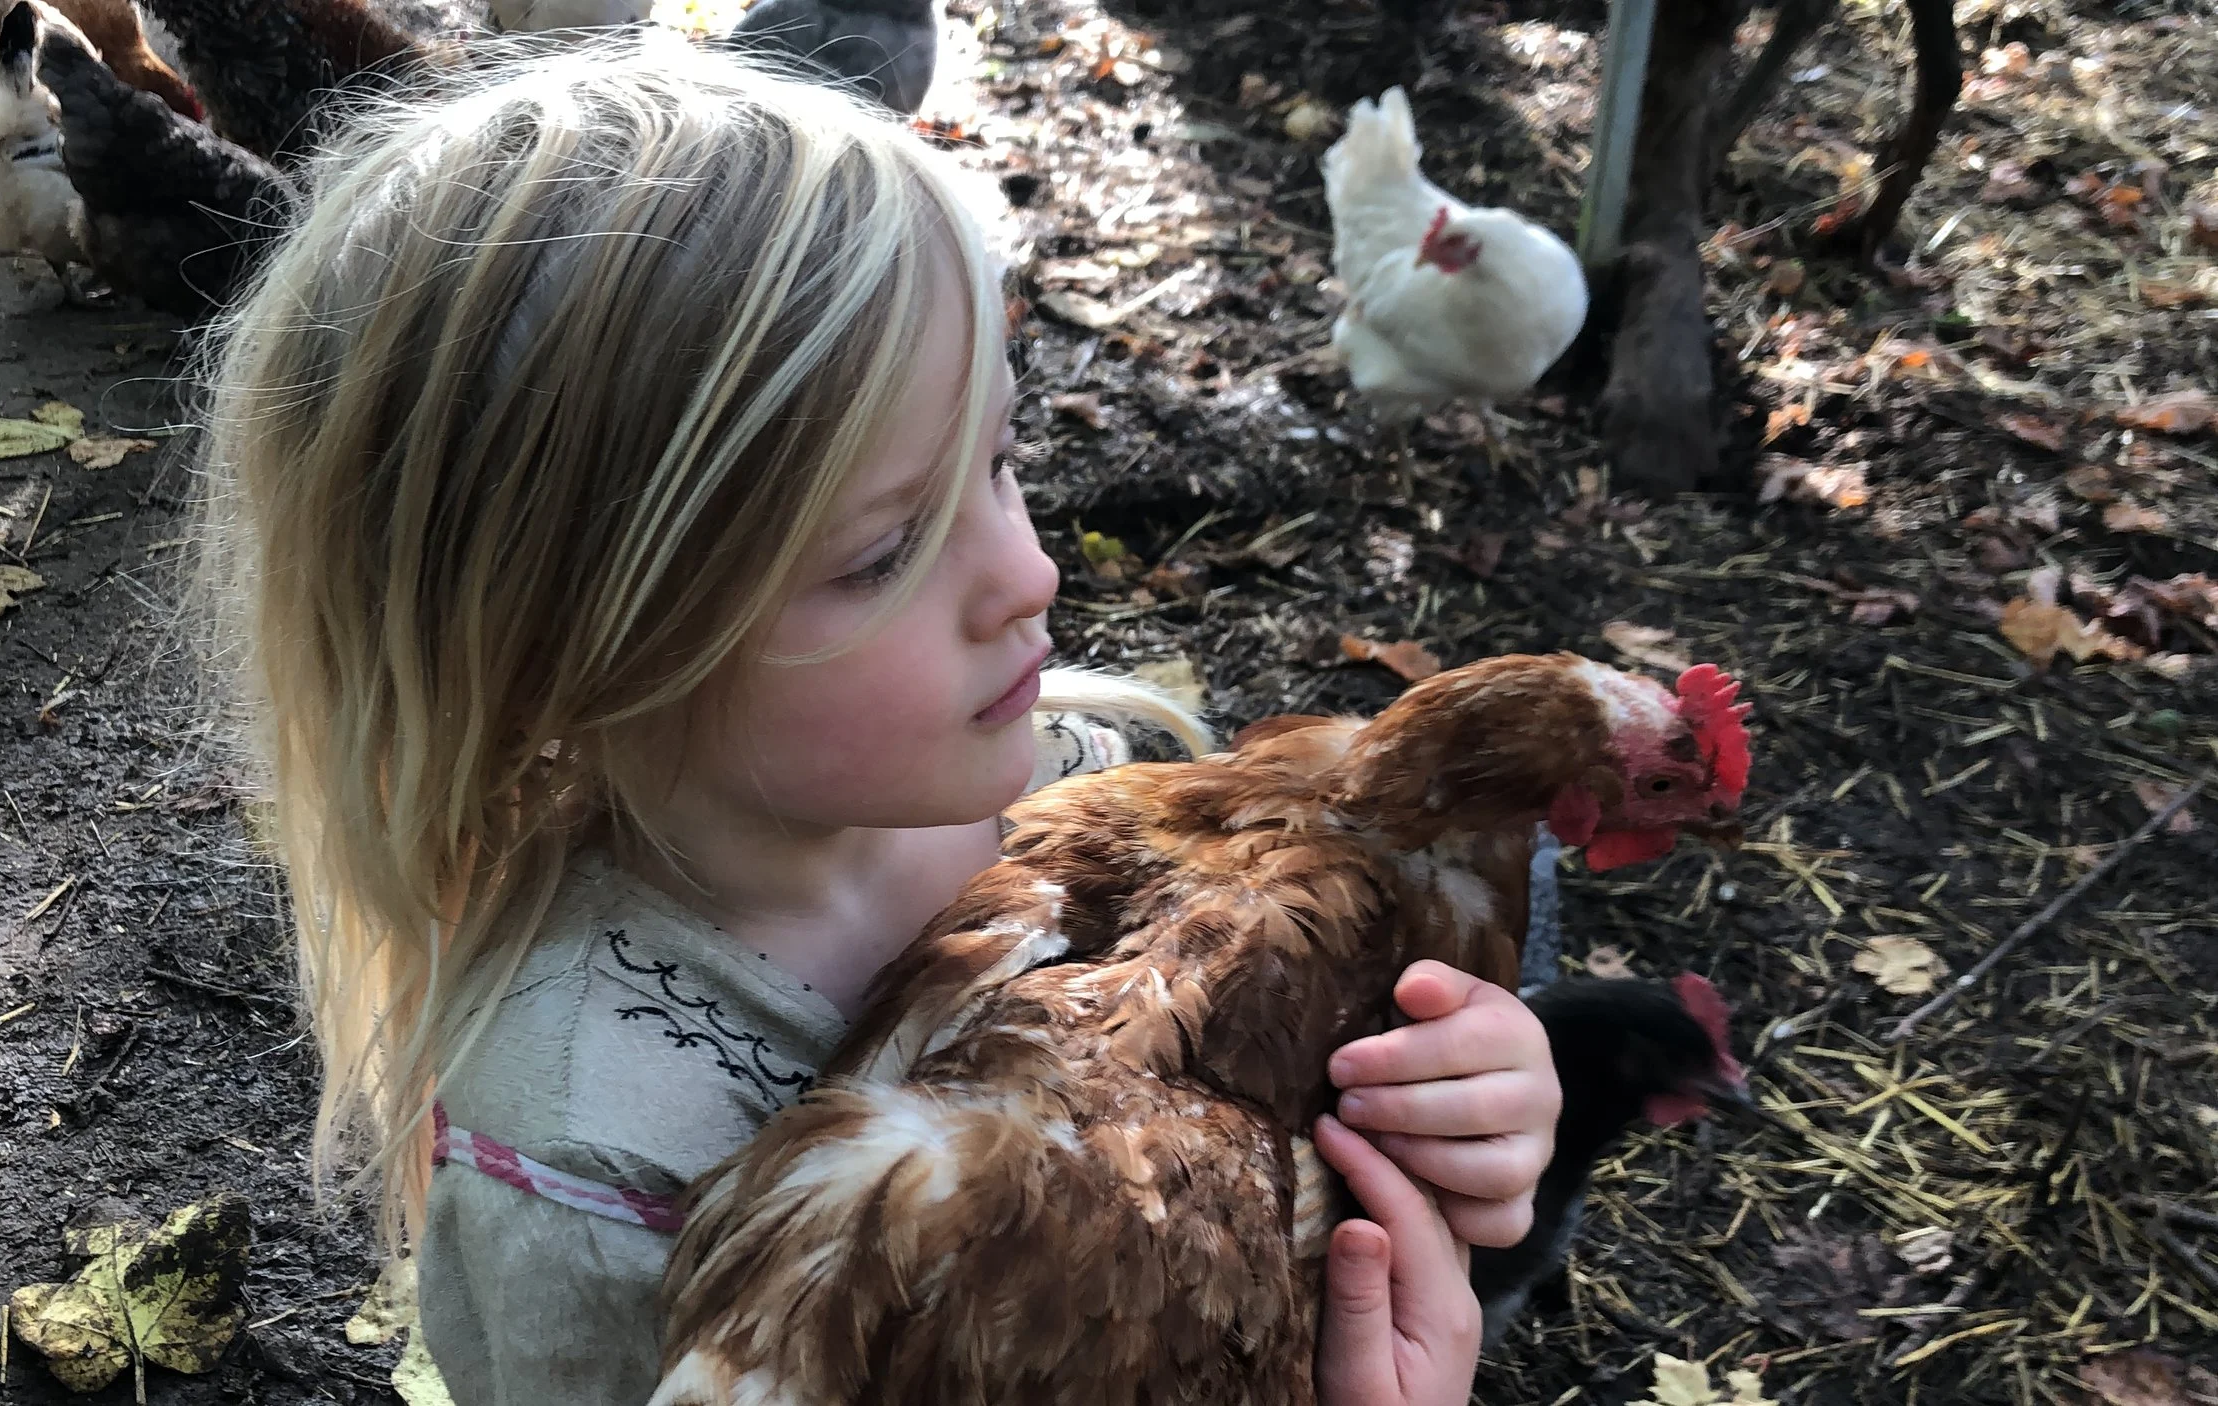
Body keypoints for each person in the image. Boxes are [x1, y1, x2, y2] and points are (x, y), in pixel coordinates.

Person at [196, 30, 1558, 1406]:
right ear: (576, 652)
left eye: (1005, 460)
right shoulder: (590, 1156)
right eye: (883, 552)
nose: (1029, 573)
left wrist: (1459, 1117)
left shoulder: (1088, 797)